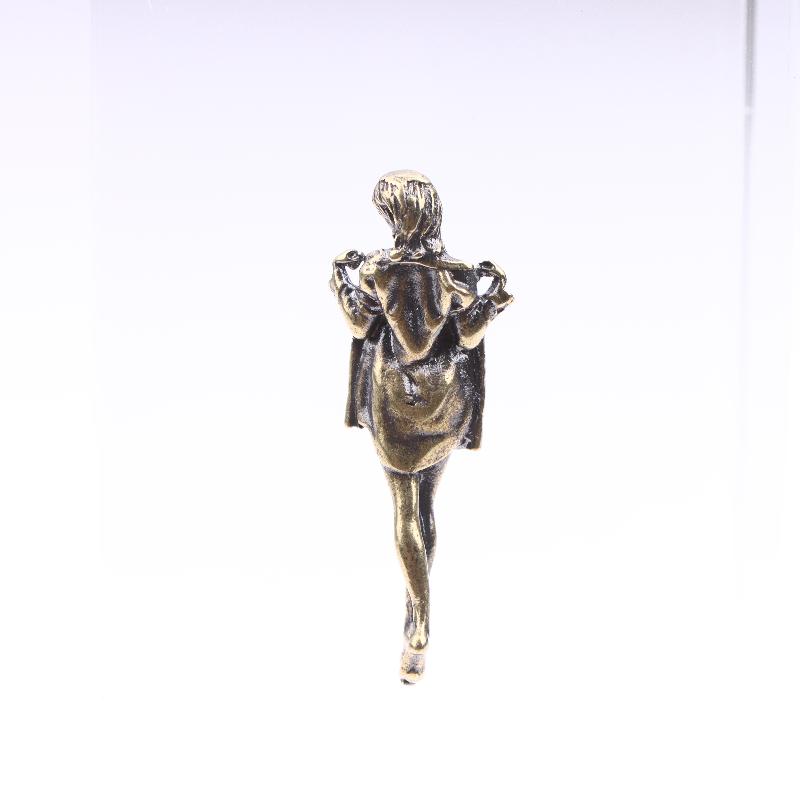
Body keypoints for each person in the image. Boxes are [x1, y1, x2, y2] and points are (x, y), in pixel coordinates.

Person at [330, 170, 513, 682]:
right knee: (426, 503)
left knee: (406, 507)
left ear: (398, 215)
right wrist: (493, 296)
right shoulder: (454, 273)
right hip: (444, 400)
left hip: (396, 400)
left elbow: (361, 324)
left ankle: (420, 619)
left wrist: (340, 280)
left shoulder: (381, 271)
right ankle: (415, 609)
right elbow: (469, 334)